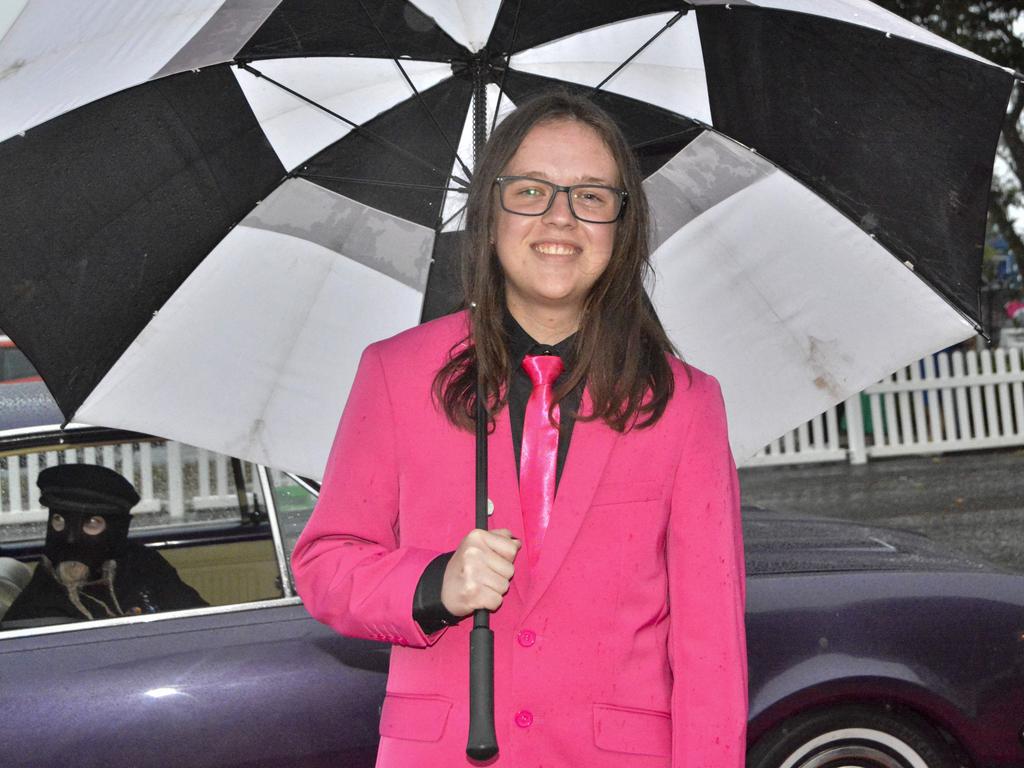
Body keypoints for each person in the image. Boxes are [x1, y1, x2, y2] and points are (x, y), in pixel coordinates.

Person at [292, 91, 746, 766]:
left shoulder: (684, 403)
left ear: (624, 224)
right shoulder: (395, 373)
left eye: (591, 196)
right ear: (490, 213)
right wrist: (434, 584)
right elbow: (326, 565)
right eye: (531, 190)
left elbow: (711, 649)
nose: (560, 218)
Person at [4, 463, 207, 623]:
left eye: (92, 523)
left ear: (117, 531)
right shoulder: (38, 610)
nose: (71, 540)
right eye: (59, 521)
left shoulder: (142, 564)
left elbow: (200, 620)